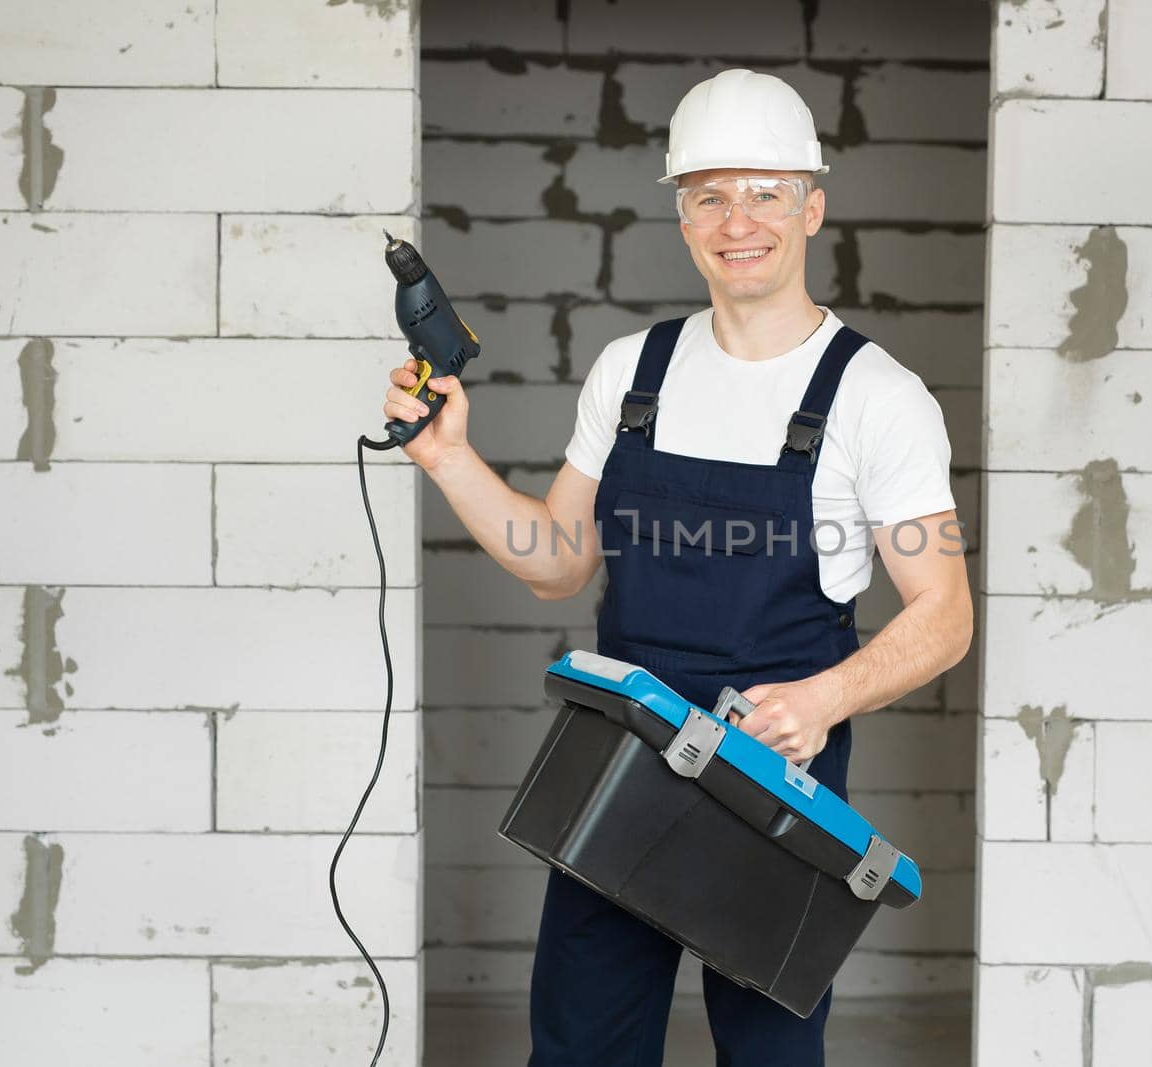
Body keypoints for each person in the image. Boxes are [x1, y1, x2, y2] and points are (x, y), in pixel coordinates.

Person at [382, 67, 972, 1067]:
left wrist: (824, 697)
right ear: (683, 216)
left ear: (811, 207)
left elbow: (944, 614)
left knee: (767, 1051)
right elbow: (558, 565)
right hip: (620, 761)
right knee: (581, 1044)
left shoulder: (879, 397)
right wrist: (447, 457)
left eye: (764, 192)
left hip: (773, 769)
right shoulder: (631, 371)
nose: (736, 219)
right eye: (708, 195)